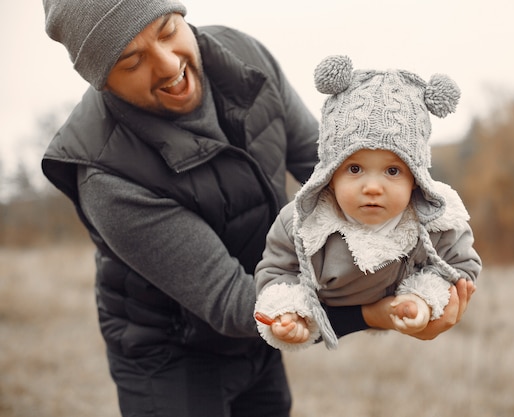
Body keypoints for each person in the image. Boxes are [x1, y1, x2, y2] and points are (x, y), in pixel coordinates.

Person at [41, 0, 475, 415]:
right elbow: (230, 300)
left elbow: (326, 171)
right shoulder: (105, 175)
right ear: (100, 80)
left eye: (168, 30)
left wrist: (422, 278)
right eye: (131, 61)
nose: (170, 64)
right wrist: (370, 315)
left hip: (266, 324)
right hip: (172, 356)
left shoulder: (246, 60)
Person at [254, 55, 482, 350]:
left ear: (415, 179)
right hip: (325, 304)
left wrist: (424, 299)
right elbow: (276, 269)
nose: (373, 187)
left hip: (400, 298)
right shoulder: (302, 221)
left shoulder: (436, 221)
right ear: (330, 175)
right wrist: (289, 312)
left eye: (392, 171)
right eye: (354, 169)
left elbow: (460, 265)